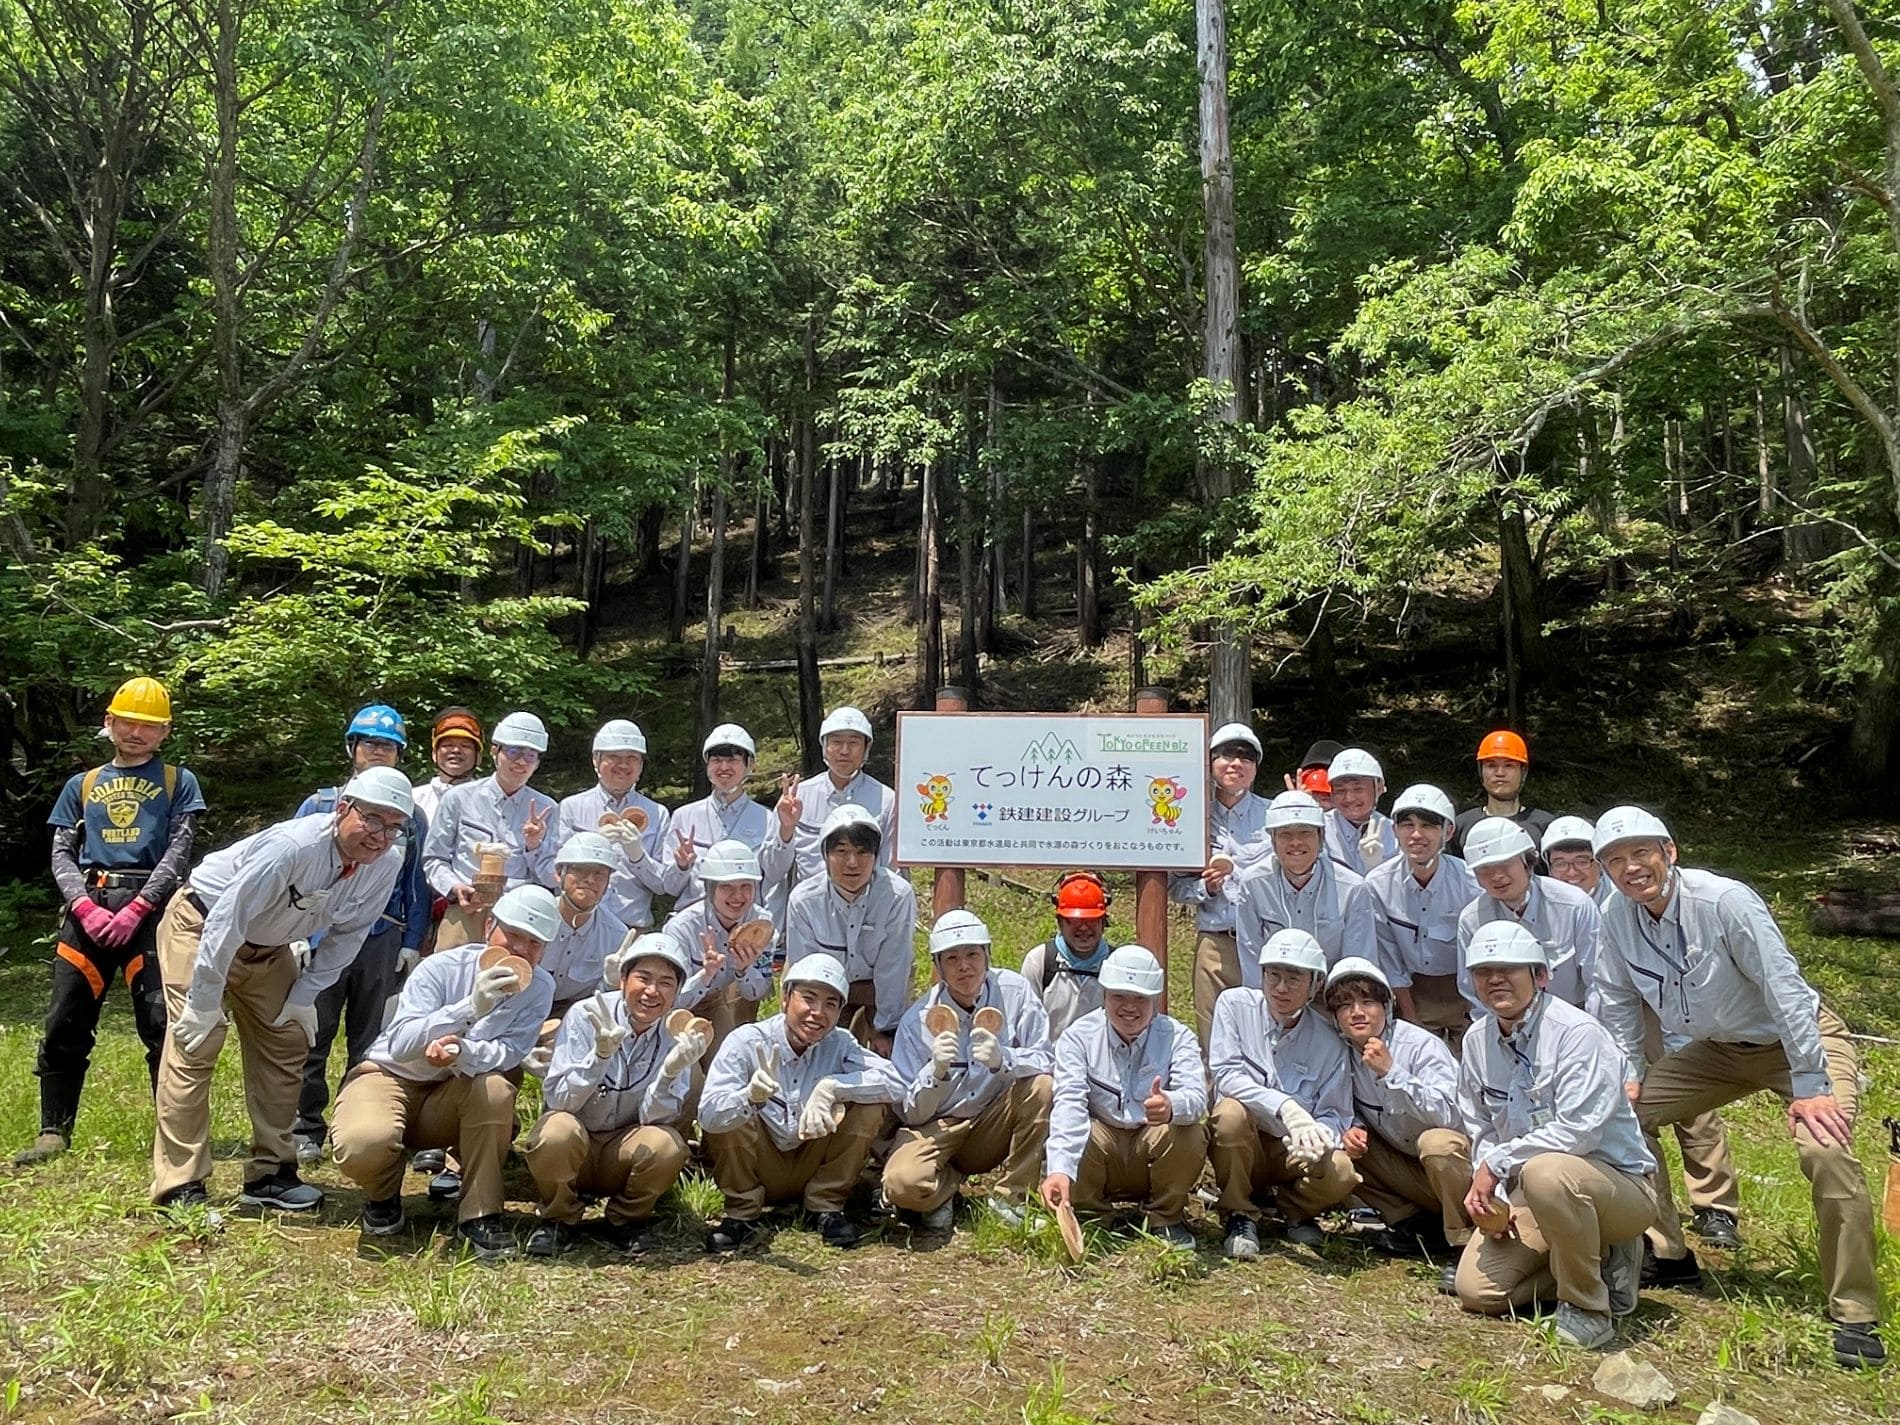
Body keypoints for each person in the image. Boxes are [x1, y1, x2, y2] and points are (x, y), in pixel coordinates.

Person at [1591, 807, 1885, 1369]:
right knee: (1627, 1119)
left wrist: (1811, 1083)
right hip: (1715, 1052)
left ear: (1669, 852)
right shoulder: (1614, 915)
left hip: (1794, 1040)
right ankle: (1667, 1252)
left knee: (1825, 1150)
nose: (1631, 869)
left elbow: (1787, 991)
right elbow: (1618, 995)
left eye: (1641, 853)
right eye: (1615, 860)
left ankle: (1854, 1311)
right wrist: (1630, 1071)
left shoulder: (1724, 901)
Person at [150, 767, 412, 1213]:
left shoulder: (386, 862)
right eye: (371, 819)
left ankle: (271, 1173)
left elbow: (350, 933)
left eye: (393, 826)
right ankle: (180, 1183)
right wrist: (205, 999)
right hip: (200, 926)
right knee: (195, 1043)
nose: (379, 835)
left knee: (287, 1039)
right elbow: (225, 922)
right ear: (342, 809)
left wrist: (305, 993)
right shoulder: (292, 848)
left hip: (268, 948)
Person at [17, 677, 206, 1167]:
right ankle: (52, 1131)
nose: (136, 733)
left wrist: (141, 907)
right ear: (109, 723)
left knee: (161, 1024)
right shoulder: (82, 784)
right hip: (88, 909)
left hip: (153, 914)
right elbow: (61, 851)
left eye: (148, 725)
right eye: (127, 722)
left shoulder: (177, 781)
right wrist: (83, 906)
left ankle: (170, 1133)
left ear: (165, 732)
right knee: (65, 1019)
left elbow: (180, 849)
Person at [1542, 815, 1742, 1258]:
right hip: (1592, 1015)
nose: (1573, 872)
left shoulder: (1627, 895)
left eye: (1581, 862)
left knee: (1696, 1107)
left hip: (1660, 1007)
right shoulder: (1552, 903)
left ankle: (1716, 1206)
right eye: (1561, 863)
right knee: (1627, 1106)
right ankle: (1653, 1229)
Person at [1451, 922, 1656, 1351]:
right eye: (1483, 971)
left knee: (1547, 1172)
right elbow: (1480, 1126)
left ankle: (1587, 1308)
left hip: (1615, 1187)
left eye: (1509, 969)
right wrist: (1496, 1200)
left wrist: (1498, 1164)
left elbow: (1579, 1131)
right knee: (1478, 1292)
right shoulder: (1476, 1041)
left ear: (1540, 976)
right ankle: (1594, 1264)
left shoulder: (1579, 1035)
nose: (1495, 979)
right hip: (1530, 1190)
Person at [331, 885, 560, 1259]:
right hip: (390, 1075)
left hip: (457, 1088)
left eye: (535, 943)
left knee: (497, 1088)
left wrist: (460, 1052)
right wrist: (470, 1007)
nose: (521, 950)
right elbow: (403, 1042)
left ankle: (480, 1214)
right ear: (489, 927)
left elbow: (510, 1051)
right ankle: (382, 1194)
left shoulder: (539, 987)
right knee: (362, 1142)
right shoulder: (441, 968)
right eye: (514, 934)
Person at [289, 704, 434, 1168]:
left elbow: (415, 882)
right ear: (352, 748)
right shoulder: (319, 804)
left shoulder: (411, 817)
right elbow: (294, 871)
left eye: (388, 746)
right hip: (322, 932)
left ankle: (355, 1124)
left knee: (371, 1040)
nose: (378, 752)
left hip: (381, 936)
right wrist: (294, 932)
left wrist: (413, 939)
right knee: (313, 1031)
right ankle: (305, 1125)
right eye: (370, 743)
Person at [699, 953, 903, 1251]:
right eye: (808, 998)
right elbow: (707, 1114)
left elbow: (896, 1084)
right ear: (785, 999)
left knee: (871, 1104)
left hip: (812, 1157)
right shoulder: (745, 1041)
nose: (817, 1013)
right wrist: (748, 1098)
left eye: (830, 1004)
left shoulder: (841, 1044)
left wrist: (833, 1087)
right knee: (731, 1111)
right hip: (758, 1161)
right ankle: (741, 1213)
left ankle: (826, 1205)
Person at [521, 933, 702, 1256]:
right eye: (643, 978)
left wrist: (669, 1074)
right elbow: (560, 1101)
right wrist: (598, 1058)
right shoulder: (586, 1015)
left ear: (676, 993)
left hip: (623, 1147)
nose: (651, 991)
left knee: (668, 1144)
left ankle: (627, 1218)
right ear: (622, 979)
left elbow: (656, 1120)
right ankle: (558, 1218)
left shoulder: (677, 1033)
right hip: (578, 1141)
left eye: (665, 983)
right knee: (556, 1131)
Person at [883, 910, 1055, 1231]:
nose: (964, 966)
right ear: (938, 967)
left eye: (973, 954)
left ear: (987, 955)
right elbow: (909, 1112)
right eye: (952, 958)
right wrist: (934, 1073)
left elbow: (1046, 1059)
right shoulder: (916, 1021)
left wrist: (1004, 1059)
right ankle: (943, 1188)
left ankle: (1012, 1197)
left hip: (992, 1121)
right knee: (900, 1184)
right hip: (938, 1126)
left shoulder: (1015, 993)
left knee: (1042, 1086)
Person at [1040, 946, 1207, 1251]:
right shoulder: (1078, 1037)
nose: (1130, 1007)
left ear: (1155, 1000)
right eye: (1119, 996)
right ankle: (1092, 1215)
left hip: (1151, 1142)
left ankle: (1165, 1218)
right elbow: (1068, 1103)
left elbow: (1197, 1098)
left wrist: (1172, 1106)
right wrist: (1059, 1169)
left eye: (1140, 998)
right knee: (1080, 1129)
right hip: (1101, 1145)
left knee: (1191, 1132)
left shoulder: (1177, 1036)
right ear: (1103, 995)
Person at [1208, 930, 1359, 1257]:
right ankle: (1238, 1213)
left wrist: (1319, 1139)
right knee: (1228, 1114)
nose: (1280, 987)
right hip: (1244, 1140)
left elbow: (1337, 1113)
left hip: (1291, 1152)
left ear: (1315, 984)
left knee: (1342, 1170)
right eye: (1273, 974)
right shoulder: (1234, 1006)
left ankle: (1294, 1212)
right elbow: (1226, 1075)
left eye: (1294, 978)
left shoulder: (1329, 1042)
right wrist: (1286, 1107)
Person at [1322, 955, 1473, 1270]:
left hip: (1460, 1175)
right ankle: (1417, 1225)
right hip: (1406, 1167)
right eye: (1345, 1005)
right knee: (1344, 1147)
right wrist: (1350, 1130)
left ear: (1387, 1006)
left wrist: (1391, 1073)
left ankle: (1466, 1243)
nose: (1357, 1012)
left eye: (1367, 1002)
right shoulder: (1339, 1054)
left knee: (1437, 1144)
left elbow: (1451, 1115)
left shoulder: (1419, 1046)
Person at [782, 804, 917, 1054]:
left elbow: (894, 968)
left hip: (878, 986)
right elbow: (806, 971)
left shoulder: (897, 896)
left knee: (888, 1053)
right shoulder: (803, 899)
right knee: (814, 1049)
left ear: (876, 857)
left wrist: (885, 1028)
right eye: (841, 851)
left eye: (863, 852)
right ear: (825, 855)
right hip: (824, 985)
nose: (852, 863)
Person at [1170, 722, 1273, 1045]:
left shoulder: (1273, 816)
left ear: (1255, 767)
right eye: (1226, 755)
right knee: (1211, 1036)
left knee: (1265, 1031)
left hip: (1265, 940)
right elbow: (1174, 886)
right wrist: (1206, 889)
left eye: (1245, 757)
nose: (1235, 763)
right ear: (1211, 762)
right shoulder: (1188, 815)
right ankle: (1215, 1095)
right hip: (1215, 941)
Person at [424, 710, 558, 947]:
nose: (520, 762)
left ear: (537, 762)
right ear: (495, 751)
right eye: (513, 752)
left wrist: (534, 845)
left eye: (530, 755)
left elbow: (551, 877)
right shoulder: (459, 798)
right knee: (450, 979)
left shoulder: (547, 809)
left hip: (518, 919)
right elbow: (434, 858)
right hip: (465, 911)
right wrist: (454, 888)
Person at [1365, 784, 1479, 1044]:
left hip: (1465, 990)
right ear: (1394, 831)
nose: (1416, 835)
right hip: (1412, 990)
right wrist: (1410, 1016)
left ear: (1448, 831)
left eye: (1428, 826)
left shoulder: (1471, 884)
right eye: (1407, 825)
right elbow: (1389, 954)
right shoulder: (1378, 884)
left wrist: (1475, 1013)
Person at [554, 719, 692, 933]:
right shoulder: (571, 808)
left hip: (633, 929)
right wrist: (591, 849)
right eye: (614, 757)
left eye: (632, 758)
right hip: (576, 925)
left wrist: (637, 856)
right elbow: (556, 872)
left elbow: (663, 885)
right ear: (595, 760)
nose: (624, 765)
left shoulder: (658, 814)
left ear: (641, 766)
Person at [1457, 817, 1601, 1012]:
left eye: (1505, 863)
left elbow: (1597, 981)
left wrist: (1590, 1031)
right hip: (1505, 1020)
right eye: (1484, 869)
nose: (1497, 875)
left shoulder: (1574, 905)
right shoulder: (1471, 920)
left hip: (1575, 1013)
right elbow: (1472, 991)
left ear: (1528, 862)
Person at [1233, 790, 1378, 974]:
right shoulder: (1253, 884)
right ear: (1272, 840)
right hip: (1276, 991)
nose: (1296, 842)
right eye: (1285, 834)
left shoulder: (1353, 889)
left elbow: (1357, 965)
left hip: (1332, 990)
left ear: (1321, 838)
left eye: (1305, 833)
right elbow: (1251, 957)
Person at [761, 706, 897, 898]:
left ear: (867, 748)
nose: (844, 750)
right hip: (808, 912)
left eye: (854, 743)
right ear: (824, 746)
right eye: (836, 742)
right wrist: (786, 831)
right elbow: (773, 871)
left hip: (867, 912)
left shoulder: (886, 800)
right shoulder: (797, 796)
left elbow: (892, 872)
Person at [660, 839, 775, 1056]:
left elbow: (756, 992)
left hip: (712, 1002)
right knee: (686, 1076)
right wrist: (705, 974)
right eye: (727, 887)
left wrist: (744, 970)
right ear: (709, 888)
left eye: (745, 886)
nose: (738, 897)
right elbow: (671, 1000)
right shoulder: (681, 928)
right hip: (675, 1009)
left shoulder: (762, 925)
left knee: (730, 1061)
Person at [670, 723, 777, 916]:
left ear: (749, 765)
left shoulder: (768, 820)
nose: (724, 767)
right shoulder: (683, 817)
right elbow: (669, 887)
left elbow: (773, 882)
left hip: (745, 925)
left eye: (733, 760)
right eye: (717, 760)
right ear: (707, 765)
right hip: (692, 921)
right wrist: (682, 866)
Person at [537, 831, 631, 1020]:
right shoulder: (534, 916)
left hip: (573, 1016)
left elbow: (602, 1001)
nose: (590, 879)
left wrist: (610, 983)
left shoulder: (617, 936)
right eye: (580, 870)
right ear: (558, 874)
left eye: (599, 874)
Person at [1020, 872, 1118, 1040]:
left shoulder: (1117, 965)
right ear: (1060, 922)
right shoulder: (1040, 962)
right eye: (1074, 921)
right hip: (1050, 1064)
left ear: (1104, 922)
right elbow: (1026, 1027)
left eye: (1092, 921)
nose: (1084, 929)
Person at [1448, 731, 1553, 858]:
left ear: (1523, 772)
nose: (1500, 773)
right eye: (1491, 765)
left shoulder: (1546, 826)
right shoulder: (1461, 826)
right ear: (1481, 772)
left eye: (1509, 765)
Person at [1323, 748, 1397, 875]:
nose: (1349, 798)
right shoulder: (1319, 829)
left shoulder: (1395, 834)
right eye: (1341, 790)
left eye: (1358, 789)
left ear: (1379, 788)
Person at [411, 707, 483, 823]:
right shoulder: (413, 800)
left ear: (478, 757)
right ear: (434, 754)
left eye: (465, 746)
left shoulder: (489, 802)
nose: (456, 750)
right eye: (448, 745)